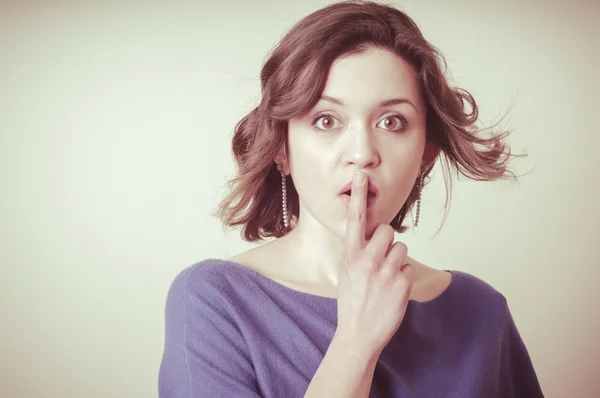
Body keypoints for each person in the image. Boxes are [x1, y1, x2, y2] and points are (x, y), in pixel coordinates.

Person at [158, 1, 544, 396]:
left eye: (392, 122)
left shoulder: (480, 311)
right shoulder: (214, 302)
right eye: (326, 120)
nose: (362, 152)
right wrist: (356, 343)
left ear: (425, 154)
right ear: (281, 149)